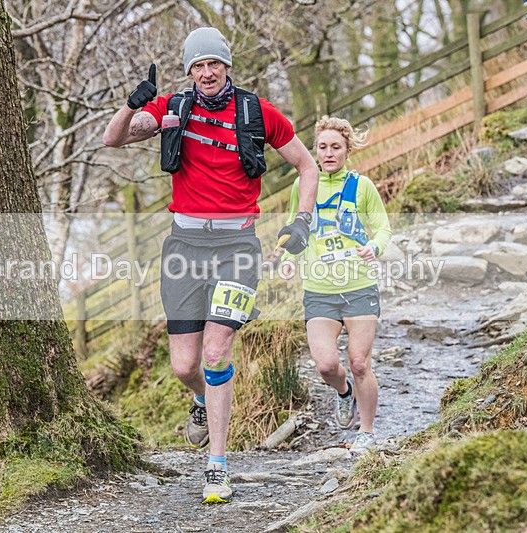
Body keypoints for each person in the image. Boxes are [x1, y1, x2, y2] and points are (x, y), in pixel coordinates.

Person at [103, 27, 319, 503]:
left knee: (217, 353)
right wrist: (131, 104)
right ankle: (200, 399)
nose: (206, 73)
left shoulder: (257, 112)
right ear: (189, 72)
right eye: (197, 66)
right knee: (185, 365)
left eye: (213, 64)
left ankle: (217, 466)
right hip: (183, 247)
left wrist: (302, 220)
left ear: (226, 66)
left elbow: (308, 165)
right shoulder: (172, 109)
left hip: (238, 248)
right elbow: (112, 140)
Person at [281, 115, 391, 455]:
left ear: (347, 150)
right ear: (315, 150)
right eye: (322, 147)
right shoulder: (303, 186)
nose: (328, 153)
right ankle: (345, 393)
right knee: (326, 364)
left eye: (336, 147)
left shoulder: (362, 186)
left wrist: (374, 248)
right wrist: (287, 258)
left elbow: (384, 229)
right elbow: (293, 229)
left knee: (360, 362)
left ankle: (367, 432)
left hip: (358, 287)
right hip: (319, 291)